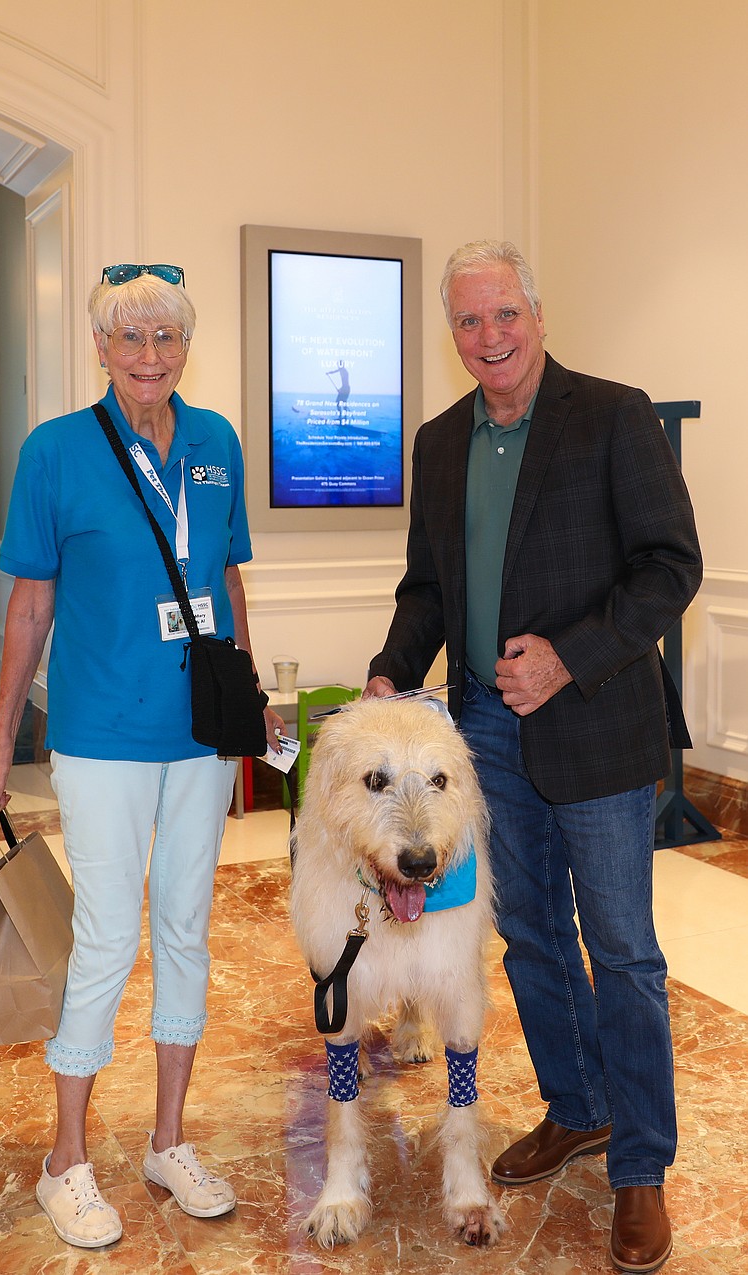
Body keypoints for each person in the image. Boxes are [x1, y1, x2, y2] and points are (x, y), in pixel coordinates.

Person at [365, 241, 701, 1274]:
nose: (489, 337)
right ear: (452, 333)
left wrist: (568, 658)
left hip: (596, 726)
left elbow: (669, 567)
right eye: (468, 322)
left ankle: (639, 1168)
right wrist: (388, 672)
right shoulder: (440, 440)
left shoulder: (611, 413)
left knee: (622, 949)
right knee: (533, 943)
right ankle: (577, 1109)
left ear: (536, 316)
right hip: (484, 740)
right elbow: (427, 583)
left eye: (503, 314)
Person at [0, 262, 283, 1250]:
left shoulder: (215, 443)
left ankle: (167, 1140)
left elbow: (225, 577)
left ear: (184, 347)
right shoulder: (56, 452)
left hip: (196, 734)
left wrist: (248, 703)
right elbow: (29, 605)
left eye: (167, 337)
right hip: (100, 735)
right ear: (101, 348)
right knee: (108, 934)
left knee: (187, 927)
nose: (150, 355)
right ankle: (65, 1160)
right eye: (131, 337)